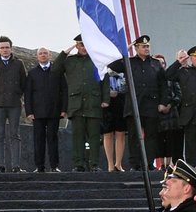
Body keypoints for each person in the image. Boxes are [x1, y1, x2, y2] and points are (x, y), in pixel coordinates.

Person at [56, 36, 103, 172]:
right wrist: (65, 52)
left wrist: (105, 99)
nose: (84, 48)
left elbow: (104, 80)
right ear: (77, 46)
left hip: (93, 104)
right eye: (81, 45)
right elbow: (56, 68)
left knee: (94, 137)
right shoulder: (70, 61)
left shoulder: (96, 61)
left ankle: (94, 164)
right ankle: (79, 164)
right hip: (76, 105)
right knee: (78, 138)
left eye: (86, 45)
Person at [0, 36, 28, 172]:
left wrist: (17, 94)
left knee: (15, 134)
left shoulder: (19, 63)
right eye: (2, 48)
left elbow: (24, 83)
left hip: (15, 104)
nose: (5, 50)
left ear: (11, 48)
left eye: (7, 47)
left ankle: (16, 166)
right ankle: (0, 166)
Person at [125, 35, 166, 170]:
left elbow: (163, 84)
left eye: (148, 46)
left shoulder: (155, 63)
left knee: (151, 136)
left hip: (151, 105)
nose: (146, 48)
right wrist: (126, 49)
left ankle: (149, 163)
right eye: (143, 46)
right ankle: (135, 164)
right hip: (135, 105)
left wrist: (162, 102)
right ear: (136, 48)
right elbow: (113, 64)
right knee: (134, 136)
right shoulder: (129, 62)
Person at [24, 47, 67, 172]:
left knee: (53, 138)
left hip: (54, 111)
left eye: (45, 53)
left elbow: (64, 90)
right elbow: (28, 94)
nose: (43, 55)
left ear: (49, 55)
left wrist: (64, 108)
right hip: (37, 113)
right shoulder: (32, 73)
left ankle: (54, 166)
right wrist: (29, 111)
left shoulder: (57, 71)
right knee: (38, 140)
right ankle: (39, 166)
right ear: (37, 56)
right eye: (40, 54)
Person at [101, 57, 130, 171]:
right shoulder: (102, 64)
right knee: (107, 133)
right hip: (106, 103)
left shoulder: (124, 64)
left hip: (121, 101)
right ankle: (110, 164)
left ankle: (118, 163)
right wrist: (106, 94)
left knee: (120, 133)